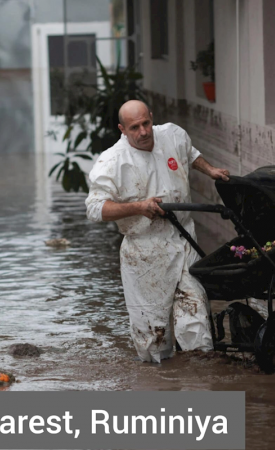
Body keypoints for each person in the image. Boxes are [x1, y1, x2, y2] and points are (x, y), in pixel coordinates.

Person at [85, 100, 230, 363]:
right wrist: (139, 207)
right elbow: (95, 209)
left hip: (183, 239)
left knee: (195, 318)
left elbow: (190, 153)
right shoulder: (112, 161)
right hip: (144, 253)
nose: (143, 132)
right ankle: (159, 385)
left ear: (152, 118)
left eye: (146, 123)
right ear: (122, 129)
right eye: (134, 127)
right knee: (154, 336)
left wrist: (211, 171)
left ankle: (199, 382)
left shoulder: (173, 134)